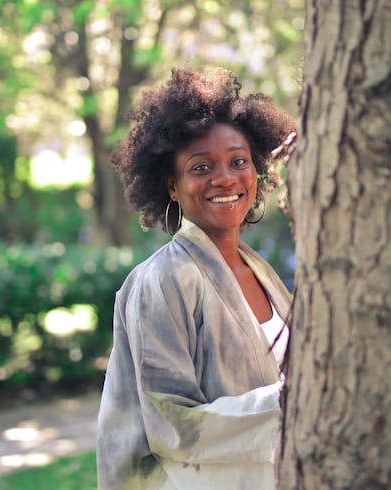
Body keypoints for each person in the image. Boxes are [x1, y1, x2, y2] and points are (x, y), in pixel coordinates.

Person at [96, 68, 296, 490]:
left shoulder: (261, 272)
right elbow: (173, 425)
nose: (225, 179)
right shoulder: (162, 282)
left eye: (238, 161)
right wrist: (293, 404)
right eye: (201, 167)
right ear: (172, 185)